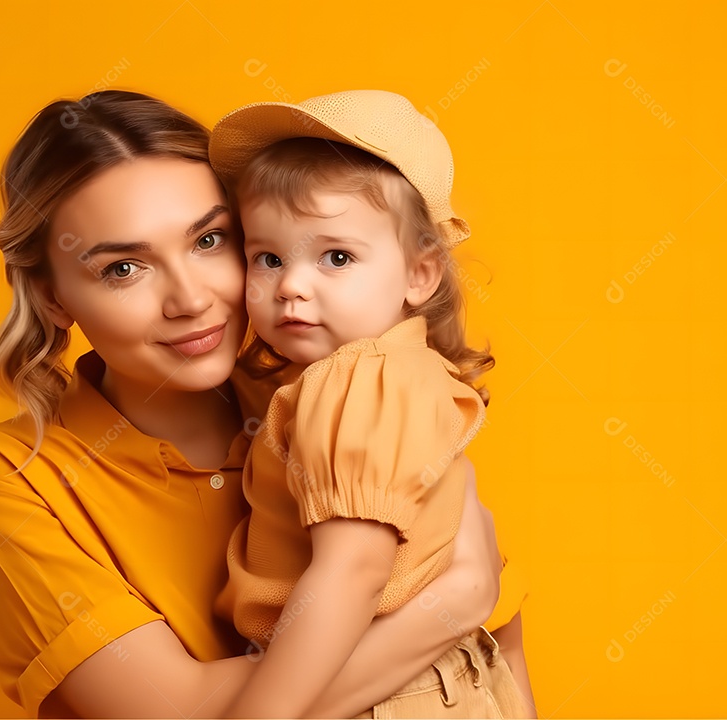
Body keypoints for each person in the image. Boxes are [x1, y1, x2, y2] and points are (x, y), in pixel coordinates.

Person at [0, 89, 525, 718]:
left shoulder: (333, 389)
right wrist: (453, 605)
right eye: (123, 269)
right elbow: (174, 713)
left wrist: (470, 603)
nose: (191, 299)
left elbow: (498, 656)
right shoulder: (13, 478)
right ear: (53, 298)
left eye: (209, 240)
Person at [207, 89, 536, 718]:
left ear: (420, 275)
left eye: (336, 257)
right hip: (434, 677)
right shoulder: (403, 370)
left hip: (385, 691)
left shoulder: (359, 378)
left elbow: (354, 570)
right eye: (267, 258)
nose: (292, 285)